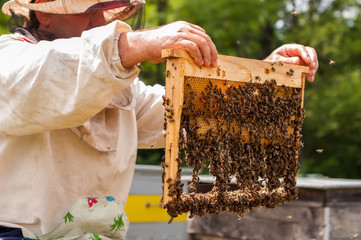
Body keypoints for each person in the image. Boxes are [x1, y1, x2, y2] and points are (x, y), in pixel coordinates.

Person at [0, 0, 318, 239]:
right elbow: (49, 74)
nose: (101, 21)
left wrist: (265, 78)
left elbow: (186, 114)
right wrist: (137, 43)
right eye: (90, 9)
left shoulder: (118, 86)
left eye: (107, 10)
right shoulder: (10, 58)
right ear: (44, 13)